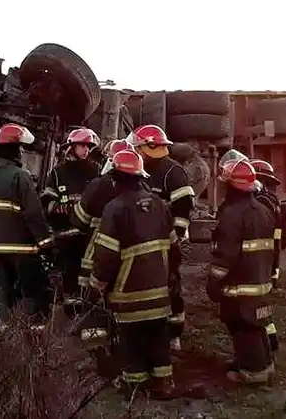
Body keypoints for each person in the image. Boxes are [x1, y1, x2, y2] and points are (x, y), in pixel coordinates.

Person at [89, 149, 181, 399]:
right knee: (159, 339)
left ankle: (136, 385)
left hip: (128, 295)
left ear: (115, 178)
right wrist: (171, 278)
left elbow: (106, 256)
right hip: (160, 294)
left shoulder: (114, 209)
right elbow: (175, 249)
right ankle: (163, 383)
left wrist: (96, 284)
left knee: (131, 342)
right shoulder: (160, 205)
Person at [0, 123, 56, 332]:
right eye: (21, 148)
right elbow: (33, 214)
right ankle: (35, 334)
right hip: (21, 248)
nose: (22, 152)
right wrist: (46, 243)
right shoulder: (20, 176)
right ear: (14, 149)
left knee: (1, 293)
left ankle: (1, 336)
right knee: (32, 291)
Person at [207, 158, 276, 385]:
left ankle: (253, 373)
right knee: (257, 324)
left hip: (240, 284)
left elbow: (225, 254)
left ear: (230, 185)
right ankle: (262, 364)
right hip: (260, 280)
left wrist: (214, 282)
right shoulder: (263, 210)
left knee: (242, 325)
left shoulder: (232, 214)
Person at [129, 125, 195, 350]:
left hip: (167, 242)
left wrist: (174, 238)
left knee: (170, 286)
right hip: (143, 242)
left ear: (147, 147)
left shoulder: (172, 172)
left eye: (138, 148)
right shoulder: (141, 169)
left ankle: (174, 334)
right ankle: (151, 330)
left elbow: (183, 208)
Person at [68, 138, 133, 341]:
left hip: (97, 251)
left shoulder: (97, 185)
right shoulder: (142, 190)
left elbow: (78, 220)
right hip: (130, 257)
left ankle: (94, 341)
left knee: (94, 295)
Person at [40, 128, 100, 306]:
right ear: (71, 147)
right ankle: (71, 310)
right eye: (82, 145)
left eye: (88, 146)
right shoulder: (58, 173)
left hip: (89, 235)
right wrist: (63, 209)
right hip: (65, 236)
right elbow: (47, 203)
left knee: (90, 273)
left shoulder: (95, 171)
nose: (86, 150)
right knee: (69, 274)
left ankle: (88, 306)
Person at [250, 158, 283, 354]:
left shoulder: (262, 203)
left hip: (261, 260)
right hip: (271, 260)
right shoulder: (273, 200)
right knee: (262, 304)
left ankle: (268, 341)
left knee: (257, 305)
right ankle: (271, 338)